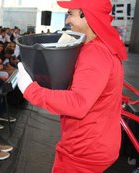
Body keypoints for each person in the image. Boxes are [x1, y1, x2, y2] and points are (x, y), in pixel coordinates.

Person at [17, 0, 127, 172]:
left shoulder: (95, 54)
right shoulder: (101, 46)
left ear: (86, 15)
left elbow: (78, 103)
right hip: (97, 143)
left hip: (84, 152)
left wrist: (31, 90)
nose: (67, 20)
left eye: (71, 14)